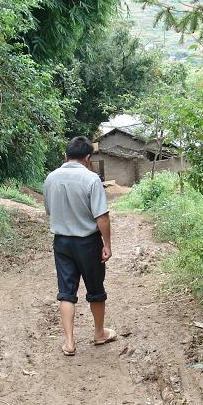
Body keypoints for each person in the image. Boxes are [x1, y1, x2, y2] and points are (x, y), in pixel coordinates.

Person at [43, 136, 117, 356]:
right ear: (87, 157)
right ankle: (99, 333)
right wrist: (107, 244)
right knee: (95, 288)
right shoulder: (91, 179)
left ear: (66, 155)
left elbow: (49, 210)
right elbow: (102, 217)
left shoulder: (50, 178)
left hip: (62, 242)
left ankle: (69, 343)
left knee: (66, 292)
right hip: (87, 243)